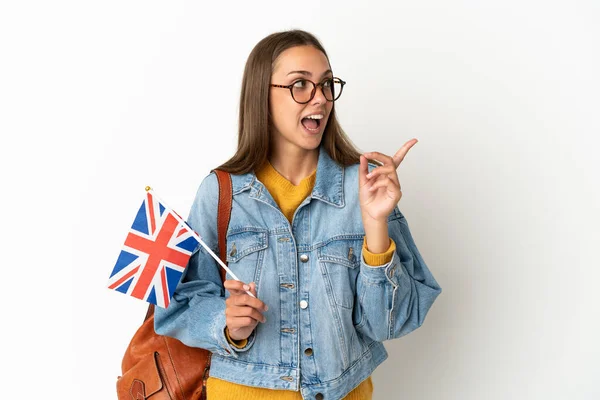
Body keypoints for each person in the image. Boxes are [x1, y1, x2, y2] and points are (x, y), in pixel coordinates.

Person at [154, 29, 442, 400]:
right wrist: (224, 322)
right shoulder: (221, 192)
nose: (320, 98)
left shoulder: (364, 189)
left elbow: (389, 323)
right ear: (263, 95)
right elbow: (175, 303)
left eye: (326, 84)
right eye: (300, 85)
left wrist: (375, 225)